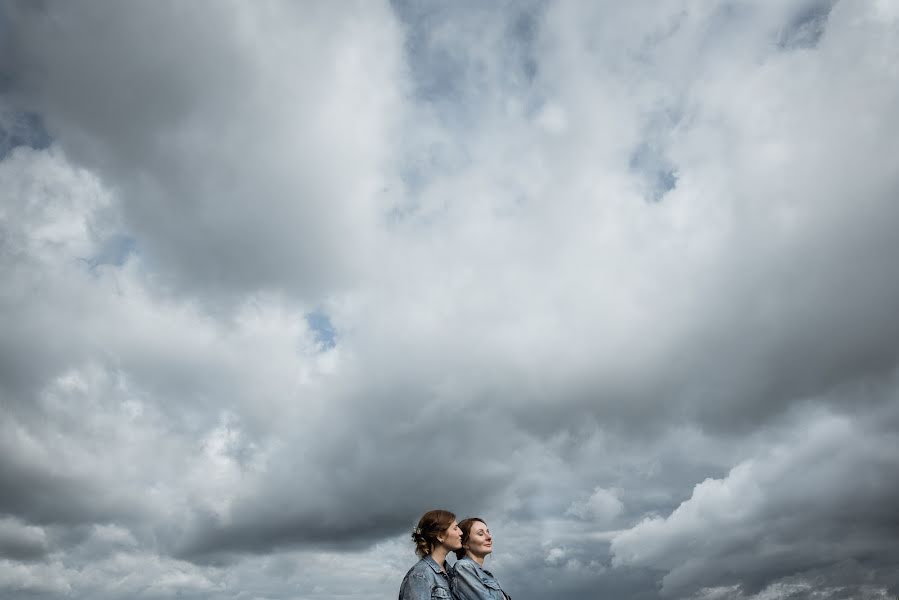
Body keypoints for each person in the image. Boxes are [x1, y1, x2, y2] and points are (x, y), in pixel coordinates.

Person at [398, 509, 462, 600]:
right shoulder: (420, 576)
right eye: (455, 528)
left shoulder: (451, 574)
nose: (461, 533)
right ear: (440, 536)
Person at [450, 517, 510, 600]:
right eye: (480, 534)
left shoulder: (484, 574)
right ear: (465, 543)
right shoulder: (463, 567)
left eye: (488, 532)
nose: (489, 537)